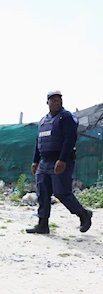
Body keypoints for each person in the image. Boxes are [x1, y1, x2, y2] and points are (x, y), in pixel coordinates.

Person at [26, 91, 93, 234]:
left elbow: (70, 139)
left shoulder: (66, 117)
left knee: (61, 193)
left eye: (59, 100)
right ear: (47, 102)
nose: (57, 102)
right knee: (42, 193)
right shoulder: (43, 121)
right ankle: (42, 224)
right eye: (53, 100)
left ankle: (84, 214)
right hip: (44, 163)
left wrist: (62, 159)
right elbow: (39, 142)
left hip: (61, 161)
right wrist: (35, 161)